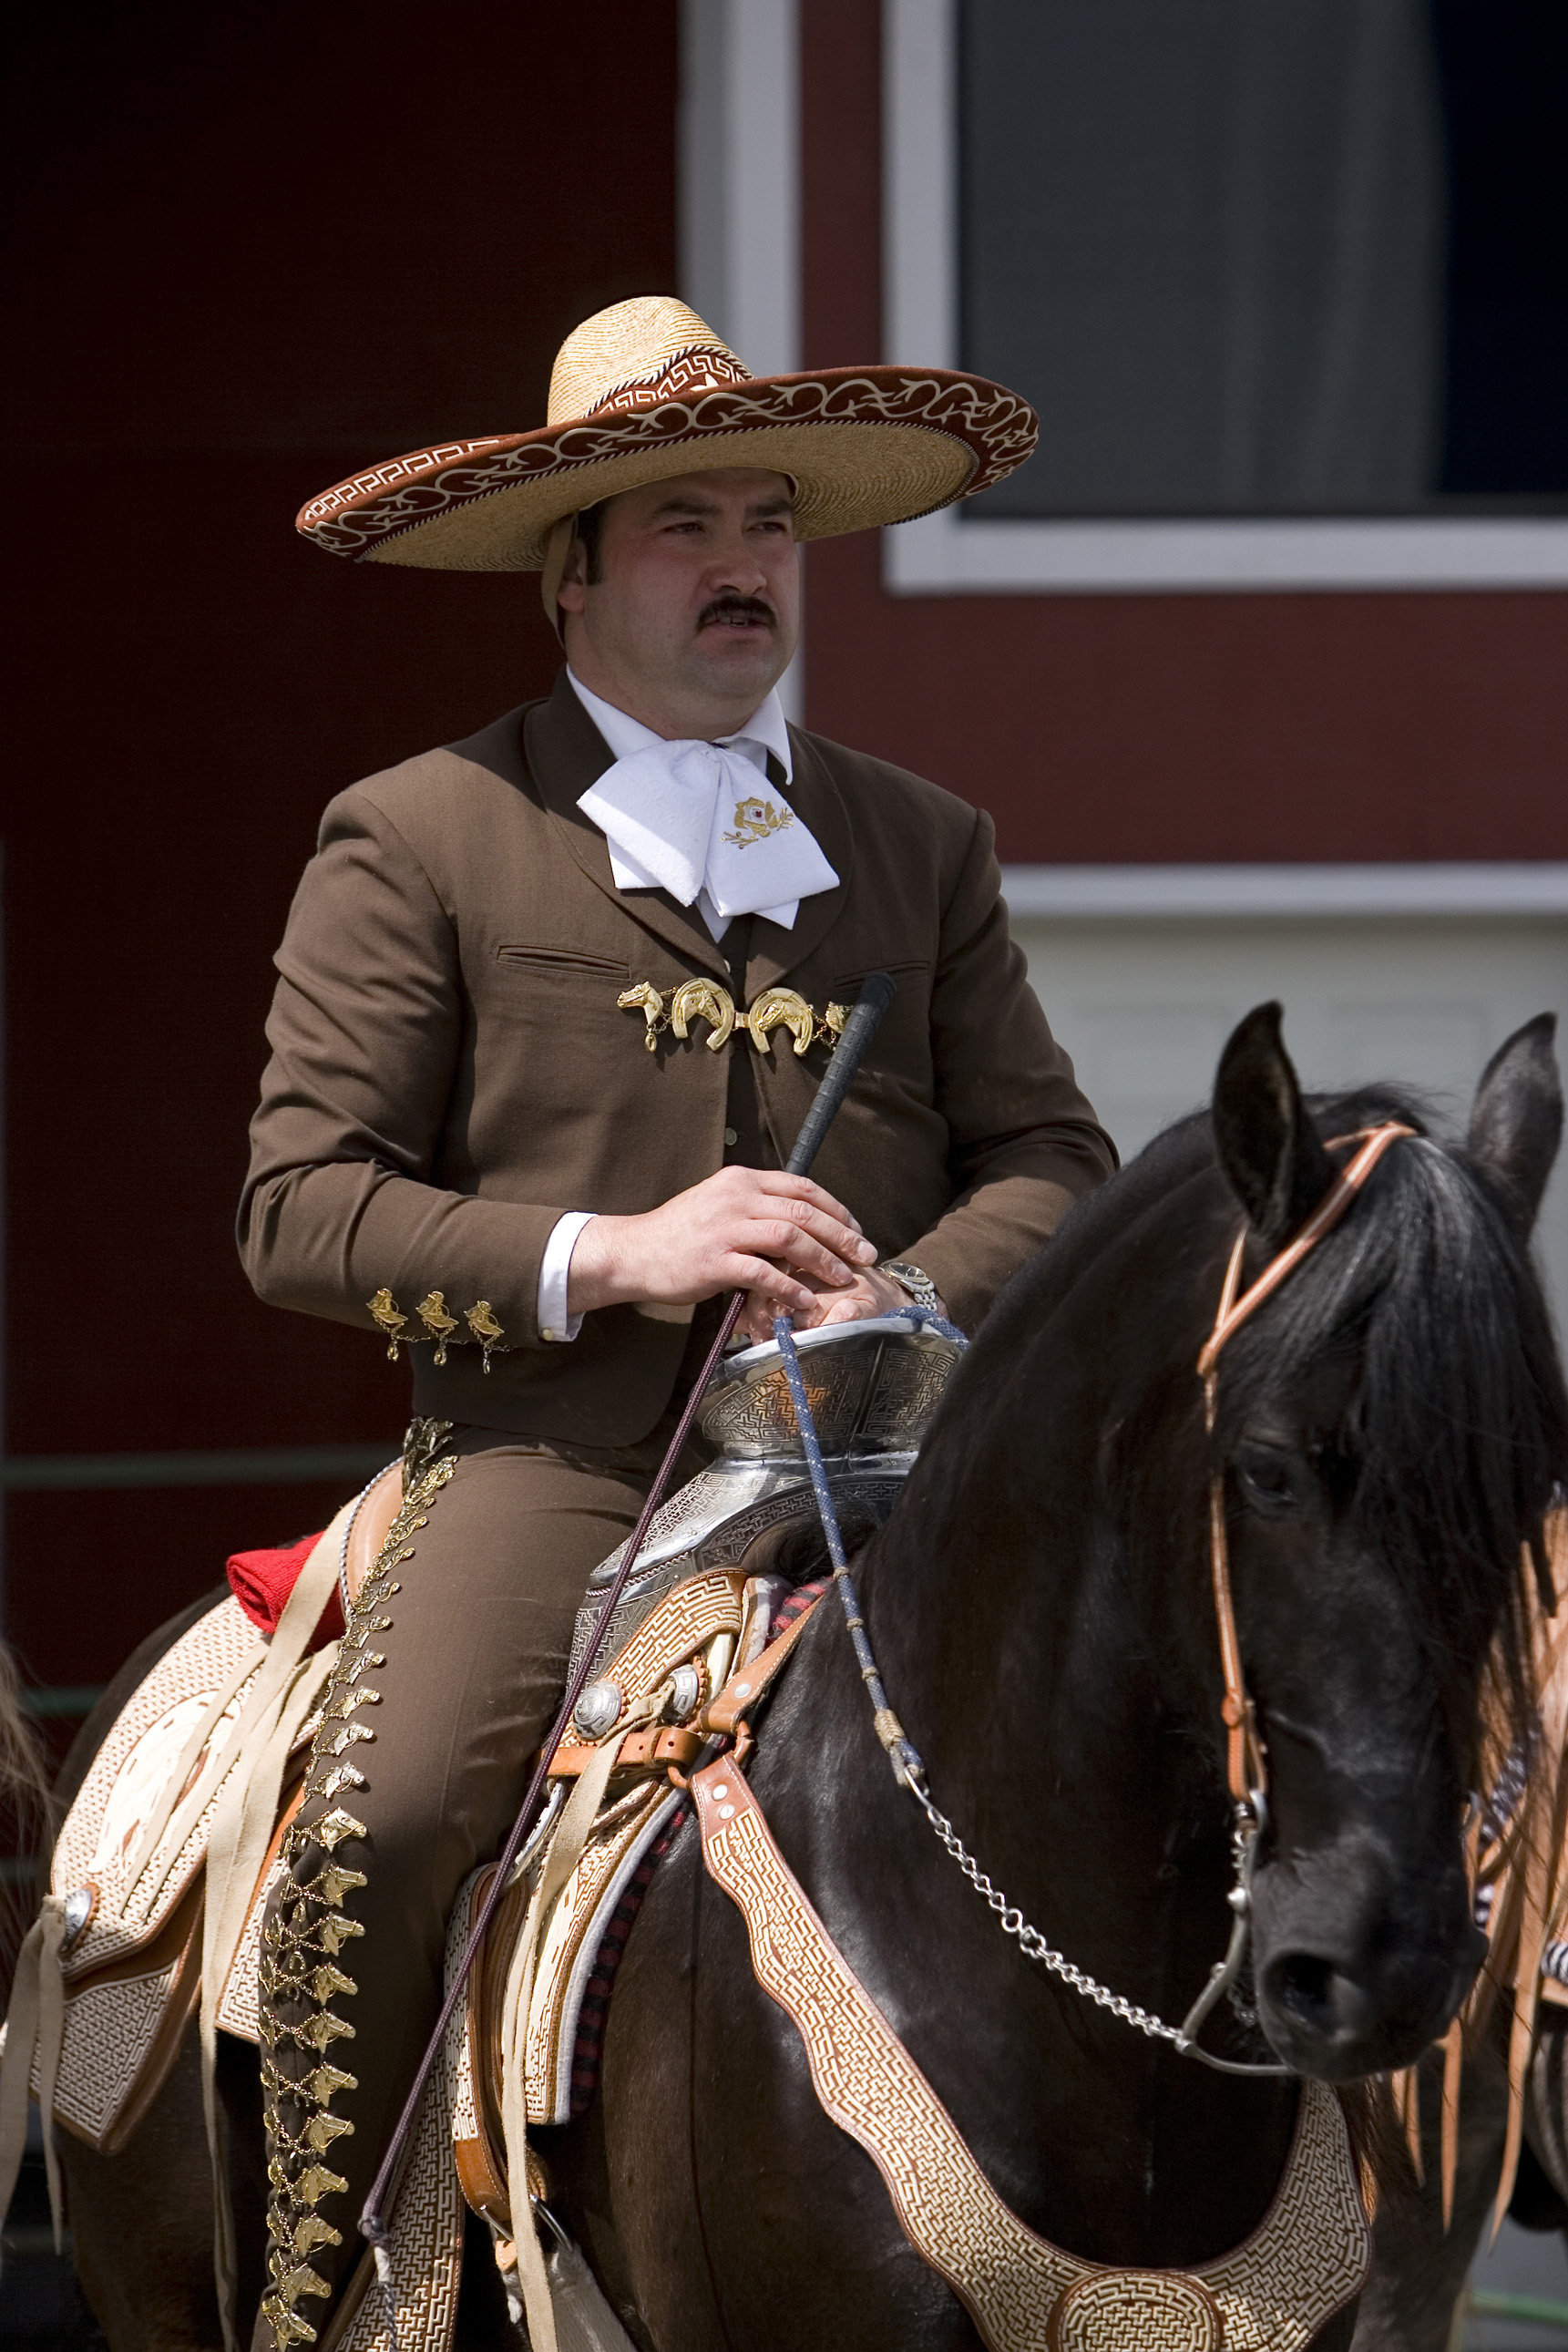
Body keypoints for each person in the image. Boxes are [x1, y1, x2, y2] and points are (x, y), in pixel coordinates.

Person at [241, 294, 1115, 2347]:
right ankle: (319, 2303)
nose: (742, 562)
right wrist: (619, 1250)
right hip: (560, 1463)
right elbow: (295, 1212)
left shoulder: (919, 837)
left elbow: (1058, 1164)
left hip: (895, 1462)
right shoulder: (421, 832)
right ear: (571, 575)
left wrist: (907, 1282)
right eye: (678, 526)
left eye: (769, 524)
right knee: (386, 1817)